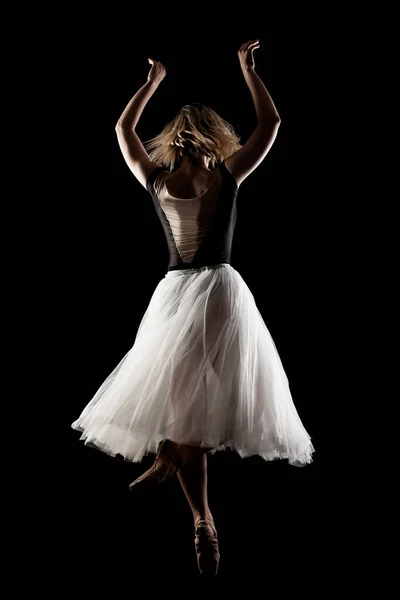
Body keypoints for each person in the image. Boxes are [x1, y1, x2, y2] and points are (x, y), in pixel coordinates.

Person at [72, 40, 314, 576]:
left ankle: (193, 497)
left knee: (187, 404)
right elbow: (270, 123)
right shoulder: (227, 175)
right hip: (215, 292)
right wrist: (248, 72)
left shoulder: (160, 180)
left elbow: (123, 133)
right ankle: (199, 513)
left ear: (183, 138)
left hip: (177, 295)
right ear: (207, 137)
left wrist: (152, 82)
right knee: (191, 408)